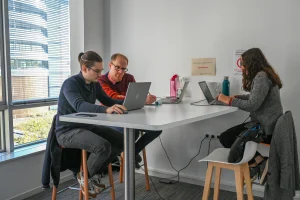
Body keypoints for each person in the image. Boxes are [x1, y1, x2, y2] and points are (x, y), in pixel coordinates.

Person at [56, 51, 127, 196]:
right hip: (67, 131)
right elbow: (79, 105)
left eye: (101, 70)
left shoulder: (94, 84)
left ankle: (90, 172)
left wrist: (130, 103)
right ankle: (86, 176)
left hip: (86, 127)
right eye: (97, 70)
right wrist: (106, 110)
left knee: (122, 140)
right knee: (103, 146)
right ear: (84, 68)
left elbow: (109, 101)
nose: (100, 74)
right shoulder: (70, 84)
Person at [217, 48, 283, 184]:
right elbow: (256, 97)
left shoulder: (261, 77)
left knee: (226, 137)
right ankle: (257, 162)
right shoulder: (266, 74)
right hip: (270, 125)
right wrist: (236, 97)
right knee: (230, 137)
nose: (242, 67)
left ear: (251, 62)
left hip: (265, 129)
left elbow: (253, 105)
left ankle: (258, 162)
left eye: (243, 63)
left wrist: (229, 100)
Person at [98, 53, 162, 167]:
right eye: (117, 67)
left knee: (156, 129)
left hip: (130, 115)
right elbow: (111, 97)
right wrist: (142, 99)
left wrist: (144, 98)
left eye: (124, 69)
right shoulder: (101, 80)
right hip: (111, 119)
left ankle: (131, 152)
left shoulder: (129, 78)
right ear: (110, 65)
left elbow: (136, 96)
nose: (121, 71)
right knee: (134, 131)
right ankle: (127, 153)